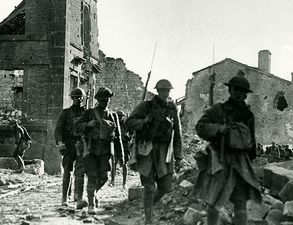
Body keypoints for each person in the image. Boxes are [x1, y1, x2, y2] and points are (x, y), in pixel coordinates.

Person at [193, 71, 261, 225]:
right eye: (236, 90)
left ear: (245, 95)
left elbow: (252, 142)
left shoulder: (248, 115)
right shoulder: (218, 110)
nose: (238, 94)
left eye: (242, 92)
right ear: (230, 90)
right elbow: (200, 127)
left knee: (241, 202)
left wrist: (250, 165)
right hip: (220, 159)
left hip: (241, 162)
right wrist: (218, 129)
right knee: (214, 201)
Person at [126, 79, 183, 225]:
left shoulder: (172, 108)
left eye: (167, 90)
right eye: (163, 90)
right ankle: (148, 219)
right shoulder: (146, 106)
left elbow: (178, 134)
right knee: (149, 186)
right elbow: (129, 122)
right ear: (157, 91)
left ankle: (148, 205)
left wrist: (179, 157)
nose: (165, 93)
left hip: (164, 152)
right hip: (147, 150)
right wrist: (143, 122)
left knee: (165, 187)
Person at [75, 86, 123, 214]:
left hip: (105, 152)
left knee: (105, 177)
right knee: (92, 176)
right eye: (102, 100)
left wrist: (121, 155)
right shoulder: (89, 113)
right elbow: (76, 127)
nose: (105, 102)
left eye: (107, 99)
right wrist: (87, 125)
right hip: (90, 149)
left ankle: (93, 192)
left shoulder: (113, 116)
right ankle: (91, 205)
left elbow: (118, 137)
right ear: (98, 100)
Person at [54, 87, 87, 208]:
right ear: (72, 98)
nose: (78, 99)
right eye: (76, 97)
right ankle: (65, 197)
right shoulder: (66, 113)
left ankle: (79, 197)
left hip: (81, 146)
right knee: (67, 171)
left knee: (80, 172)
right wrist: (60, 143)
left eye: (80, 97)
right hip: (68, 146)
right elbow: (58, 130)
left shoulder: (87, 113)